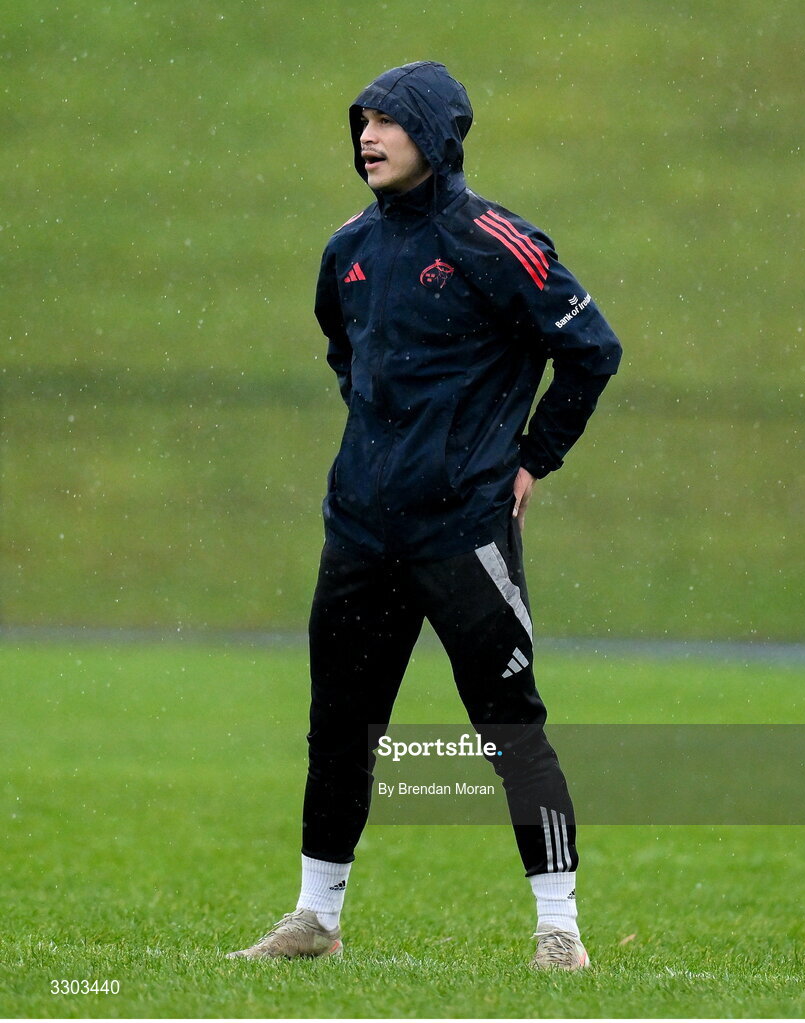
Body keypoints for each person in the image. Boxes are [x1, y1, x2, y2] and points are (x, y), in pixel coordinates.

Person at [228, 61, 621, 970]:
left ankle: (558, 930)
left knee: (509, 727)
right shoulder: (347, 248)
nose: (368, 136)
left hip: (462, 531)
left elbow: (591, 350)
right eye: (361, 121)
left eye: (389, 122)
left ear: (436, 136)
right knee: (339, 726)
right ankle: (314, 920)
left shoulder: (497, 241)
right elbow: (348, 352)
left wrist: (530, 456)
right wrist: (390, 446)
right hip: (360, 529)